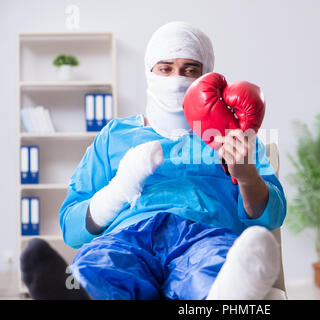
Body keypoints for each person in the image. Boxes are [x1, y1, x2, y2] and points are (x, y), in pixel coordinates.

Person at [21, 21, 286, 300]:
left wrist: (246, 176)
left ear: (207, 75)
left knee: (213, 266)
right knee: (102, 267)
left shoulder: (234, 136)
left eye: (190, 69)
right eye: (165, 68)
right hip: (126, 238)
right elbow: (72, 229)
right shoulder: (114, 135)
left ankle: (224, 294)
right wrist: (119, 190)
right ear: (150, 72)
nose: (176, 78)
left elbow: (273, 216)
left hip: (205, 235)